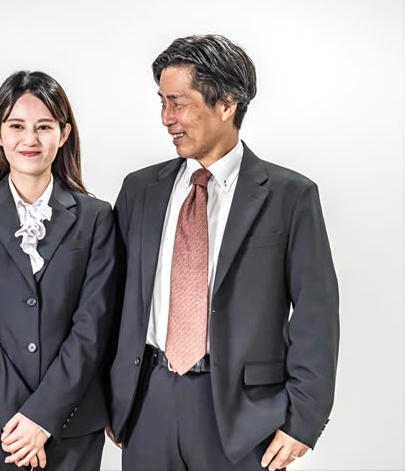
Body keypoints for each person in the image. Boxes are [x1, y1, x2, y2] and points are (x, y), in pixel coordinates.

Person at [107, 35, 339, 471]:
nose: (166, 118)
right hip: (147, 401)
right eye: (162, 102)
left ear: (227, 104)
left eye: (178, 102)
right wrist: (112, 396)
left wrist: (303, 420)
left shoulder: (291, 196)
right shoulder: (139, 190)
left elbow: (316, 313)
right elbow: (111, 299)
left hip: (244, 417)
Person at [0, 71, 116, 470]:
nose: (30, 139)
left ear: (64, 133)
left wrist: (43, 416)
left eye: (44, 126)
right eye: (17, 126)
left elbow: (93, 328)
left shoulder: (96, 217)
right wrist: (19, 420)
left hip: (73, 425)